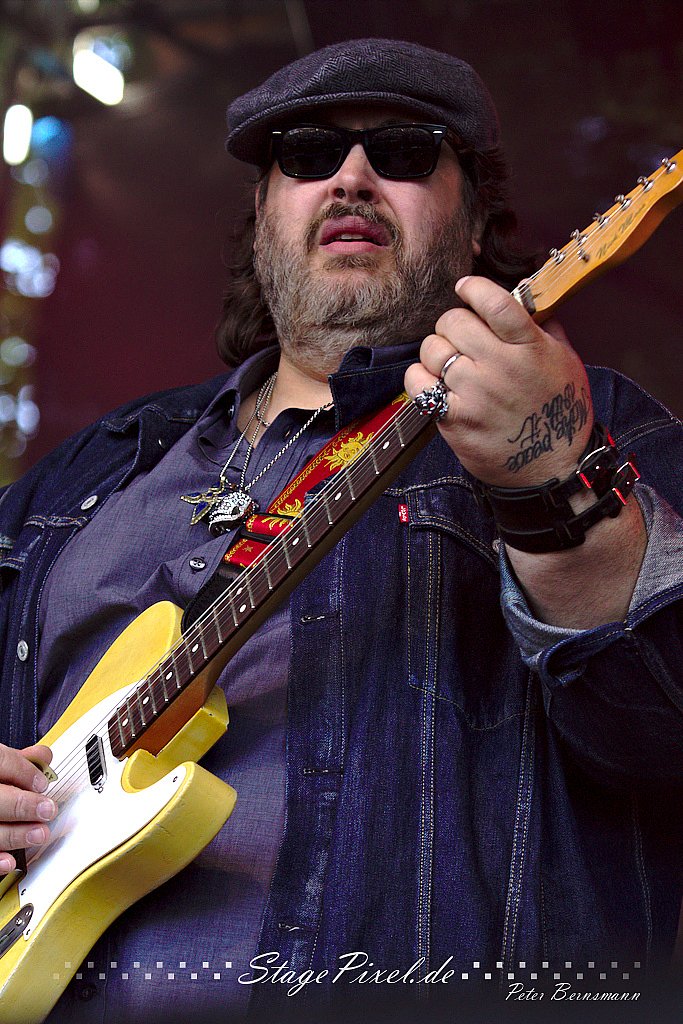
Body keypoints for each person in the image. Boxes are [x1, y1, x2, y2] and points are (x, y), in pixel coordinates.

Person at [0, 38, 681, 1024]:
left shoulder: (593, 423)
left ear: (473, 222)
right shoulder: (94, 470)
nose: (352, 176)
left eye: (404, 152)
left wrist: (551, 479)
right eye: (308, 153)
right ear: (262, 216)